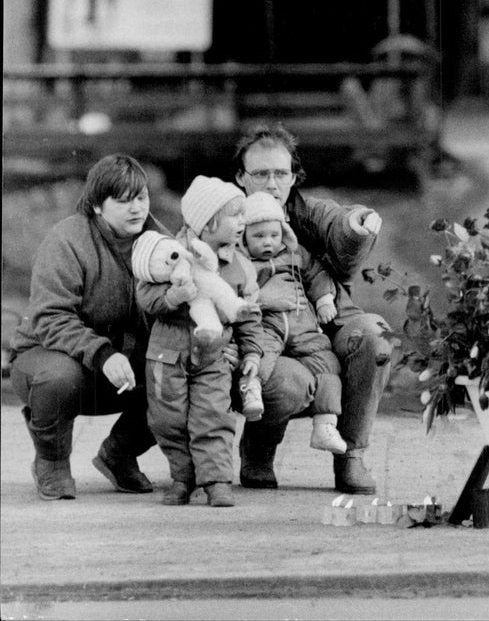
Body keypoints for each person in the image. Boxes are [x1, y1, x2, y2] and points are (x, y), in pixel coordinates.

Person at [233, 123, 395, 494]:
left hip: (321, 327)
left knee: (374, 338)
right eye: (260, 174)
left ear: (293, 176)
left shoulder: (307, 212)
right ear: (242, 177)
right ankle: (258, 449)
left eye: (280, 173)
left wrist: (356, 224)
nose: (272, 184)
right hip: (259, 336)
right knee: (289, 381)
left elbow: (337, 220)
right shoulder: (229, 217)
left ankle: (351, 455)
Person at [9, 154, 158, 501]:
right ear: (96, 206)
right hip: (47, 354)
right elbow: (51, 317)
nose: (137, 208)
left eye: (141, 197)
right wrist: (104, 353)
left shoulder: (157, 242)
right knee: (60, 378)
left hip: (118, 361)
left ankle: (119, 452)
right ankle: (52, 461)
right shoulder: (67, 240)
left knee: (176, 372)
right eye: (123, 201)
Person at [133, 176, 264, 507]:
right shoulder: (167, 252)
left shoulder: (240, 266)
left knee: (213, 415)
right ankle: (182, 477)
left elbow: (248, 314)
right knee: (167, 419)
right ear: (207, 221)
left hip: (213, 355)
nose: (242, 222)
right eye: (234, 215)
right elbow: (146, 296)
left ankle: (216, 480)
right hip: (166, 354)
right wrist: (174, 296)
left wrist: (251, 351)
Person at [240, 190, 348, 456]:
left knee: (328, 362)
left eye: (274, 235)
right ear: (243, 237)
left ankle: (325, 423)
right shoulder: (241, 263)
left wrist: (324, 300)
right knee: (260, 351)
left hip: (303, 323)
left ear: (284, 234)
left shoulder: (295, 254)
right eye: (258, 236)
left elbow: (316, 275)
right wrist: (258, 299)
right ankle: (251, 387)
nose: (268, 242)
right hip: (267, 323)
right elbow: (232, 291)